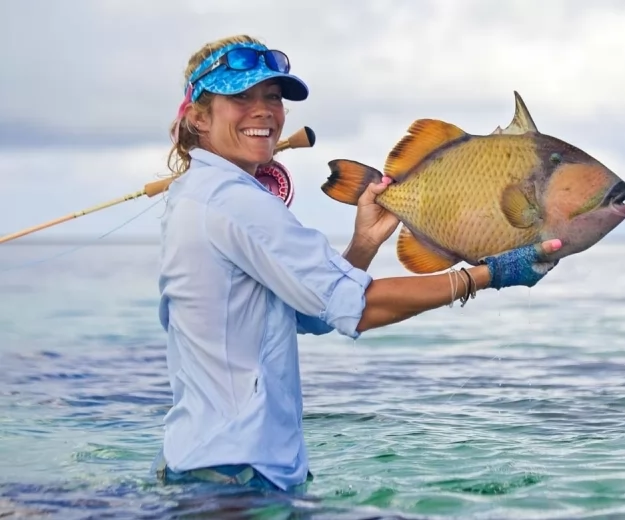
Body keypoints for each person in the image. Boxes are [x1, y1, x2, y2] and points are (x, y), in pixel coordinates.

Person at [153, 34, 561, 493]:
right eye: (240, 97)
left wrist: (363, 243)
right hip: (237, 478)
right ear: (198, 118)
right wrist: (490, 275)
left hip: (203, 465)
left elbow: (310, 314)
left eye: (272, 96)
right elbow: (358, 307)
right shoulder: (235, 202)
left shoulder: (195, 195)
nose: (264, 110)